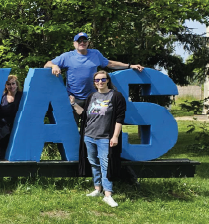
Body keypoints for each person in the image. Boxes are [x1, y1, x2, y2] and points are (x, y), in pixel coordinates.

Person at [45, 32, 142, 120]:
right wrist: (54, 66)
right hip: (73, 98)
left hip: (93, 98)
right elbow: (47, 64)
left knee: (92, 125)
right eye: (79, 41)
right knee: (72, 127)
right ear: (74, 43)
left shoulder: (95, 54)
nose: (82, 43)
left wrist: (130, 66)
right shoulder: (67, 56)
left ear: (88, 43)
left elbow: (110, 63)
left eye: (84, 41)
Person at [73, 70, 126, 208]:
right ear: (94, 83)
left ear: (107, 80)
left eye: (103, 79)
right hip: (89, 136)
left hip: (105, 138)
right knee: (94, 163)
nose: (100, 82)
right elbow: (85, 115)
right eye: (97, 80)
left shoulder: (116, 96)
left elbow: (120, 118)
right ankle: (98, 189)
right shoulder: (92, 96)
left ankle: (108, 194)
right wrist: (73, 104)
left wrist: (115, 136)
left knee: (105, 165)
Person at [0, 75, 23, 161]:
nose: (11, 86)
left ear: (17, 84)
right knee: (1, 154)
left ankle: (14, 170)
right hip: (2, 130)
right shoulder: (1, 98)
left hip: (17, 130)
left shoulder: (22, 97)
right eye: (8, 84)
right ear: (5, 86)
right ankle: (0, 170)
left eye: (13, 83)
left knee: (15, 154)